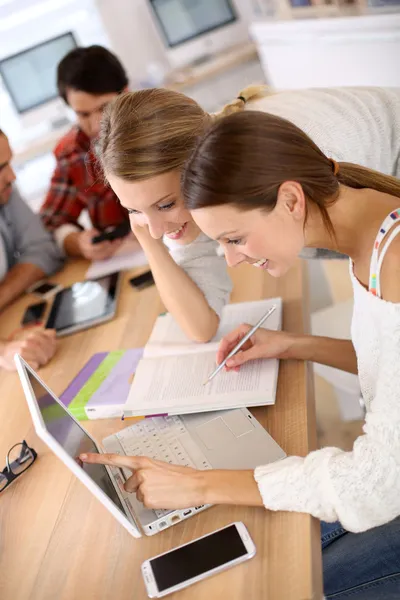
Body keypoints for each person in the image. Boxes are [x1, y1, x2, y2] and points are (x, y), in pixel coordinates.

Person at [83, 110, 400, 599]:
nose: (231, 259)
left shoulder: (393, 260)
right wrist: (294, 345)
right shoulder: (368, 236)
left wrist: (199, 486)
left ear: (290, 199)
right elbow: (389, 363)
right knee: (276, 538)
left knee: (294, 581)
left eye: (233, 239)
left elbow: (375, 485)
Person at [96, 86, 400, 342]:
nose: (157, 229)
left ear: (200, 169)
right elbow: (201, 328)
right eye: (135, 209)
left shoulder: (274, 162)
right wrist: (146, 238)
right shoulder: (192, 205)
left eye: (165, 205)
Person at [40, 45, 131, 261]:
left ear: (125, 92)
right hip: (127, 260)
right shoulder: (72, 152)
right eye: (83, 114)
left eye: (104, 108)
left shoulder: (165, 122)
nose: (97, 124)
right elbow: (51, 222)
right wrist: (78, 243)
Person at [0, 129, 62, 370]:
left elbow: (42, 249)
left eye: (9, 162)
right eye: (0, 168)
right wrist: (4, 351)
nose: (12, 176)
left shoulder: (5, 193)